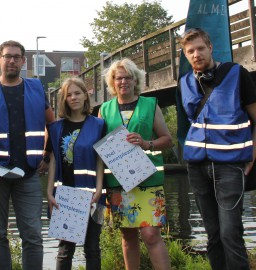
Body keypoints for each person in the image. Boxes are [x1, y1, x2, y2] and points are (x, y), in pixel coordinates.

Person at [0, 40, 55, 270]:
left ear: (23, 61)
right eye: (7, 56)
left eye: (17, 57)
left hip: (28, 174)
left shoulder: (36, 88)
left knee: (33, 235)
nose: (12, 60)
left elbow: (52, 124)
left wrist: (46, 155)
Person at [178, 28, 256, 270]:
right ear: (185, 54)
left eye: (201, 48)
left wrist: (251, 158)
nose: (196, 54)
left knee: (230, 234)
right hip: (197, 168)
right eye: (190, 51)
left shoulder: (236, 74)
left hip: (229, 166)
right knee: (213, 236)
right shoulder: (184, 83)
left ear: (210, 47)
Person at [98, 58, 172, 270]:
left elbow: (167, 139)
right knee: (127, 235)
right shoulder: (104, 109)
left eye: (127, 77)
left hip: (149, 180)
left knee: (151, 235)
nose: (123, 81)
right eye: (118, 78)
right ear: (112, 82)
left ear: (135, 79)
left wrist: (147, 143)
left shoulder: (150, 104)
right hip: (119, 182)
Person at [46, 77, 105, 270]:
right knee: (65, 250)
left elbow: (100, 160)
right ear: (64, 99)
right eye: (68, 94)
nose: (73, 97)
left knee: (92, 248)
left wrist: (98, 190)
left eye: (77, 93)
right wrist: (49, 192)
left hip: (91, 195)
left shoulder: (98, 125)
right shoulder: (55, 128)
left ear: (85, 96)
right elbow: (53, 160)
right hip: (65, 195)